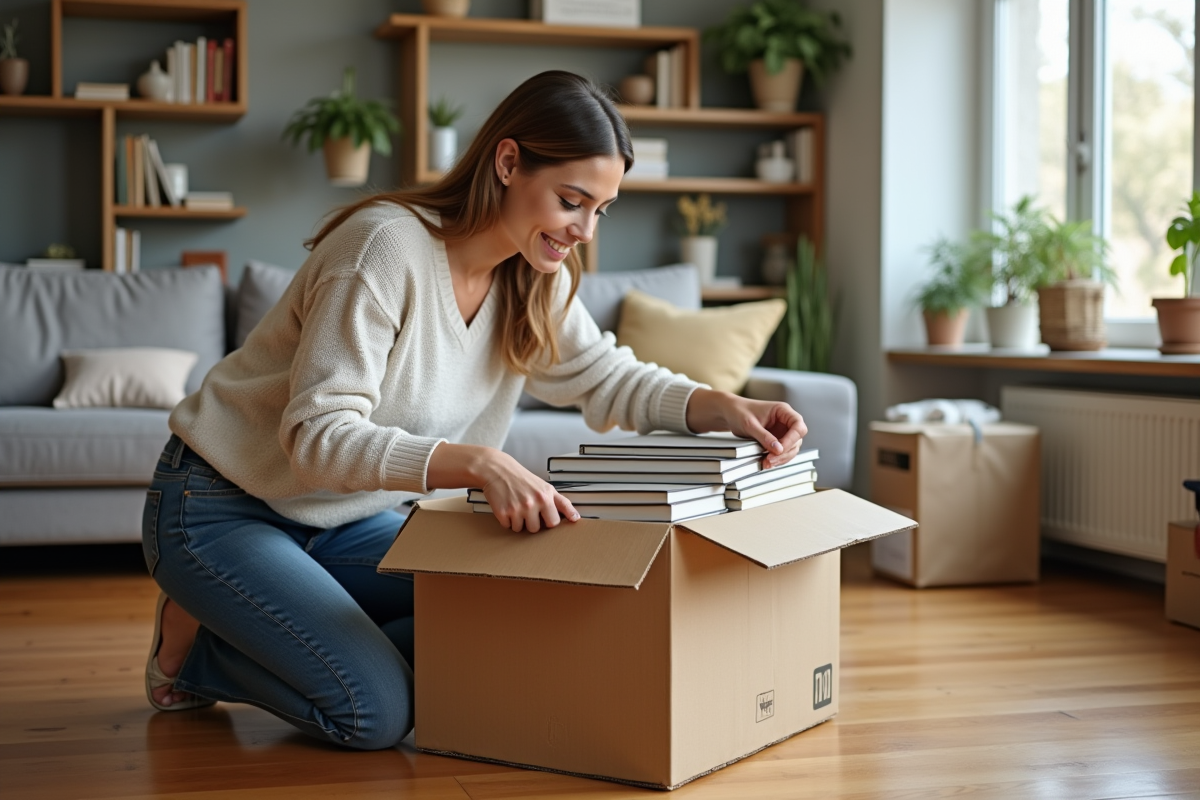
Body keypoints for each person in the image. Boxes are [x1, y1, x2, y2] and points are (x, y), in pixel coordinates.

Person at [142, 70, 808, 750]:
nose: (583, 229)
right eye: (572, 200)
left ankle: (301, 625)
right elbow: (316, 437)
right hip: (221, 505)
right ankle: (200, 650)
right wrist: (477, 464)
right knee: (374, 713)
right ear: (510, 161)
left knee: (504, 619)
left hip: (345, 520)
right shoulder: (383, 248)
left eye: (600, 209)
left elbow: (606, 376)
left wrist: (721, 405)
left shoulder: (533, 276)